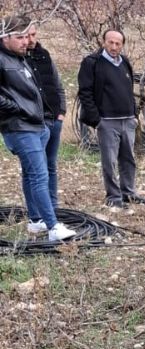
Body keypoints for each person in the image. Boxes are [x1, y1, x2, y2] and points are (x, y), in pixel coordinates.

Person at [0, 15, 75, 241]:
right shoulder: (3, 60)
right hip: (19, 128)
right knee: (40, 175)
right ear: (5, 37)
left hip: (36, 125)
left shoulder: (18, 57)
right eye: (20, 37)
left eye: (27, 36)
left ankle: (35, 221)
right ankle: (53, 228)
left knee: (31, 174)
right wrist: (18, 109)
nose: (25, 41)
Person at [78, 29, 145, 208]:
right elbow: (85, 92)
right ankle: (113, 197)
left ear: (122, 45)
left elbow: (128, 89)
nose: (114, 46)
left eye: (118, 43)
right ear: (103, 42)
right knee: (109, 161)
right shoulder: (92, 63)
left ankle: (129, 193)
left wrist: (134, 116)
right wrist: (97, 120)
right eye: (110, 42)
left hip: (128, 120)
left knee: (128, 159)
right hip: (107, 121)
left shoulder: (124, 62)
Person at [24, 23, 65, 234]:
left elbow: (58, 86)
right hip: (34, 124)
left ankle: (52, 208)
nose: (30, 39)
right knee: (34, 171)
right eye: (26, 35)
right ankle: (37, 217)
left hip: (53, 120)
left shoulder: (44, 54)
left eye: (33, 34)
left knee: (50, 167)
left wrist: (61, 113)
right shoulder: (17, 59)